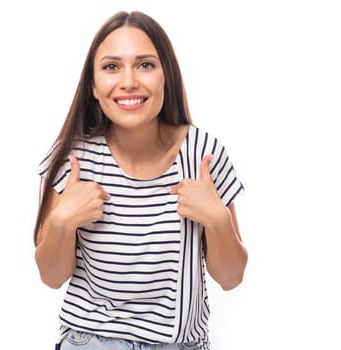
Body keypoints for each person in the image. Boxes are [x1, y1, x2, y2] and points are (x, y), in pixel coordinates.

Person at [33, 10, 247, 350]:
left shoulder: (203, 155)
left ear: (166, 76)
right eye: (111, 66)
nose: (129, 81)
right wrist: (62, 223)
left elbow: (232, 277)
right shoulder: (74, 157)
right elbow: (51, 276)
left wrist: (217, 220)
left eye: (145, 65)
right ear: (92, 84)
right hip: (88, 341)